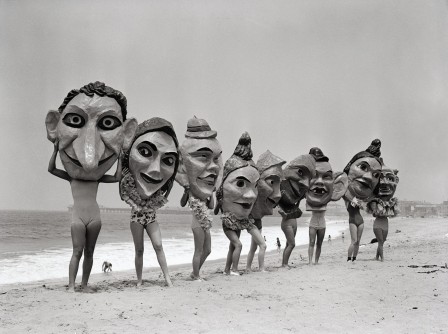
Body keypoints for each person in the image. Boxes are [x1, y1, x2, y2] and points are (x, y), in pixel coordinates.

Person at [46, 81, 137, 292]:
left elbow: (115, 177)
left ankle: (84, 284)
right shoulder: (72, 178)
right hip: (78, 218)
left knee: (89, 253)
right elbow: (51, 170)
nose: (89, 161)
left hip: (95, 217)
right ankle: (71, 285)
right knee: (76, 252)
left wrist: (121, 155)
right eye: (75, 120)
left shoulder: (94, 179)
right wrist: (55, 150)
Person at [120, 118, 180, 287]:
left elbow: (168, 187)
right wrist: (121, 160)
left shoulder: (159, 185)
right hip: (136, 218)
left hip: (151, 217)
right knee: (139, 250)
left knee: (158, 245)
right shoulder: (130, 181)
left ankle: (167, 278)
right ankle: (139, 280)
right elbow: (122, 189)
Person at [176, 117, 223, 281]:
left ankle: (195, 272)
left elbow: (210, 206)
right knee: (198, 250)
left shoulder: (207, 189)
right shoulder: (192, 188)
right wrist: (187, 190)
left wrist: (212, 193)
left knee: (208, 249)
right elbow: (182, 204)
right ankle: (195, 275)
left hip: (206, 220)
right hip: (196, 222)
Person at [214, 132, 259, 276]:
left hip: (239, 221)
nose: (251, 195)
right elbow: (216, 208)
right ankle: (234, 270)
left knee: (232, 246)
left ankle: (227, 270)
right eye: (240, 183)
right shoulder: (221, 192)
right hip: (228, 220)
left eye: (255, 186)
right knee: (238, 244)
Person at [342, 139, 382, 262]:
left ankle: (354, 258)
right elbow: (343, 191)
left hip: (361, 221)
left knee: (358, 242)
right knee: (353, 241)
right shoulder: (348, 197)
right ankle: (349, 259)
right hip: (352, 221)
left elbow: (369, 200)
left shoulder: (361, 198)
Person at [306, 147, 347, 265]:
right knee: (311, 242)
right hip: (312, 223)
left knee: (319, 244)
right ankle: (309, 261)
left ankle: (316, 261)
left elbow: (336, 193)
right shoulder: (312, 198)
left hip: (322, 224)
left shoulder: (326, 198)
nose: (319, 182)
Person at [246, 150, 285, 272]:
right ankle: (261, 268)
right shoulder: (254, 189)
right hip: (251, 222)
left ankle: (248, 268)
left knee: (253, 248)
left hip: (258, 223)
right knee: (263, 245)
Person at [277, 155, 316, 267]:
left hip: (293, 222)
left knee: (288, 244)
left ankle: (285, 263)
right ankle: (284, 264)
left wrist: (301, 196)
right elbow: (277, 204)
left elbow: (297, 201)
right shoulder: (282, 195)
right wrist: (282, 213)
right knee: (292, 244)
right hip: (287, 223)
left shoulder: (295, 198)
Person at [366, 164, 399, 261]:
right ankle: (382, 258)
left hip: (385, 224)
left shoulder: (390, 202)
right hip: (377, 224)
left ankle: (376, 257)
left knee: (382, 242)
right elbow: (371, 209)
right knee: (380, 241)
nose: (384, 182)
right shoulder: (375, 202)